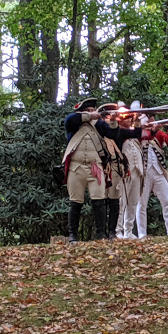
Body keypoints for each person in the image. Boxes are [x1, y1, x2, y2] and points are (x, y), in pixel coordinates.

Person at [62, 98, 140, 243]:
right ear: (82, 112)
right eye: (88, 111)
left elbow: (112, 134)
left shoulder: (98, 125)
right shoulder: (75, 123)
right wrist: (90, 116)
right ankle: (73, 235)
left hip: (95, 167)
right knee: (75, 202)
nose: (92, 113)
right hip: (76, 167)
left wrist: (113, 120)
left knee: (99, 201)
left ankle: (101, 235)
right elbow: (69, 120)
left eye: (93, 110)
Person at [97, 103, 141, 239]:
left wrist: (137, 119)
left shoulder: (120, 130)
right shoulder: (105, 129)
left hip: (125, 169)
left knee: (130, 201)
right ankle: (116, 230)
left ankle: (126, 231)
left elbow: (137, 133)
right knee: (118, 201)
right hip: (110, 169)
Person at [136, 118, 168, 238]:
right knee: (141, 204)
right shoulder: (139, 132)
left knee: (166, 201)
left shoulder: (159, 133)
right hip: (144, 173)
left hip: (159, 172)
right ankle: (141, 233)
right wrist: (152, 130)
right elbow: (144, 137)